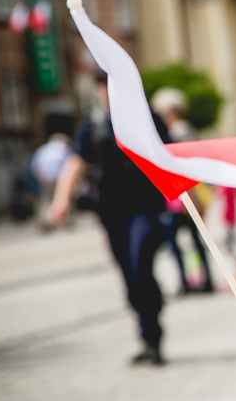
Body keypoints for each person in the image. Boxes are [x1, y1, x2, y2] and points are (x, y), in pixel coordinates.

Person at [47, 68, 169, 364]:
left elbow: (171, 156)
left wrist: (193, 196)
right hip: (112, 213)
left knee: (140, 265)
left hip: (146, 209)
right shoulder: (92, 124)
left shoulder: (146, 117)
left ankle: (153, 330)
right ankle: (146, 334)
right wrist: (61, 199)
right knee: (129, 274)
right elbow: (76, 161)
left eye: (109, 82)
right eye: (100, 84)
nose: (105, 89)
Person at [151, 87, 213, 294]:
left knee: (191, 239)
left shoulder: (180, 132)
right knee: (185, 240)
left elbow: (187, 167)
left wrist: (194, 196)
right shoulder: (172, 132)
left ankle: (200, 280)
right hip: (177, 196)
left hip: (185, 194)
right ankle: (192, 280)